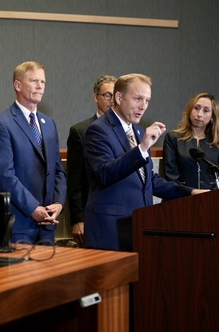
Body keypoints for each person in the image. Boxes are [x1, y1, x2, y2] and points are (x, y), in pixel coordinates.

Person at [84, 73, 207, 251]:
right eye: (137, 99)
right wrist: (141, 149)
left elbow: (149, 180)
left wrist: (192, 192)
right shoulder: (98, 130)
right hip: (110, 231)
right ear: (119, 97)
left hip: (140, 228)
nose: (143, 106)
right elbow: (105, 173)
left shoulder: (140, 132)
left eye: (147, 100)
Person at [0, 61, 66, 245]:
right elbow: (5, 176)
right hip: (19, 224)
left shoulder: (49, 123)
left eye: (43, 82)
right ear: (17, 85)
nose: (40, 86)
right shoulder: (1, 124)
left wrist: (59, 203)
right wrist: (33, 208)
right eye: (34, 81)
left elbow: (57, 169)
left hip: (48, 222)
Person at [66, 75, 116, 247]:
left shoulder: (128, 130)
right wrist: (78, 220)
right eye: (107, 95)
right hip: (93, 215)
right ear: (96, 97)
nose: (112, 100)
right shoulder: (80, 131)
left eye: (115, 95)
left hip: (121, 216)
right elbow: (75, 181)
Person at [163, 93, 219, 190]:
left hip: (211, 200)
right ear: (190, 111)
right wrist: (191, 192)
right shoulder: (173, 138)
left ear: (212, 117)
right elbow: (170, 176)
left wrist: (213, 197)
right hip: (180, 199)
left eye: (206, 111)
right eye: (196, 108)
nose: (199, 114)